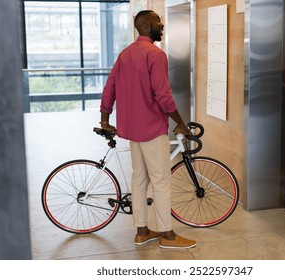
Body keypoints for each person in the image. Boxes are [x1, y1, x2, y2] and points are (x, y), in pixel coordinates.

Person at [99, 10, 196, 249]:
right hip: (152, 129)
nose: (161, 25)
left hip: (132, 130)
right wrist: (180, 122)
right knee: (161, 180)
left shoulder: (125, 54)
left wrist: (104, 117)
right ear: (144, 25)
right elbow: (163, 96)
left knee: (139, 179)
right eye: (157, 21)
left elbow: (109, 86)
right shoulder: (155, 54)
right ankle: (168, 235)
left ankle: (142, 231)